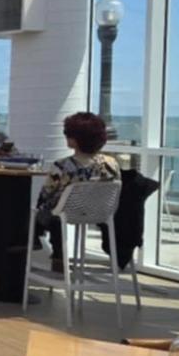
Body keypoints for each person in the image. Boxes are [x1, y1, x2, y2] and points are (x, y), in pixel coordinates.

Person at [35, 111, 120, 270]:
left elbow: (46, 193)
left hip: (67, 213)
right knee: (57, 209)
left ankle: (43, 247)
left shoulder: (62, 166)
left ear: (74, 140)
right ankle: (56, 255)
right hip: (100, 212)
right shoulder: (112, 163)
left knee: (47, 210)